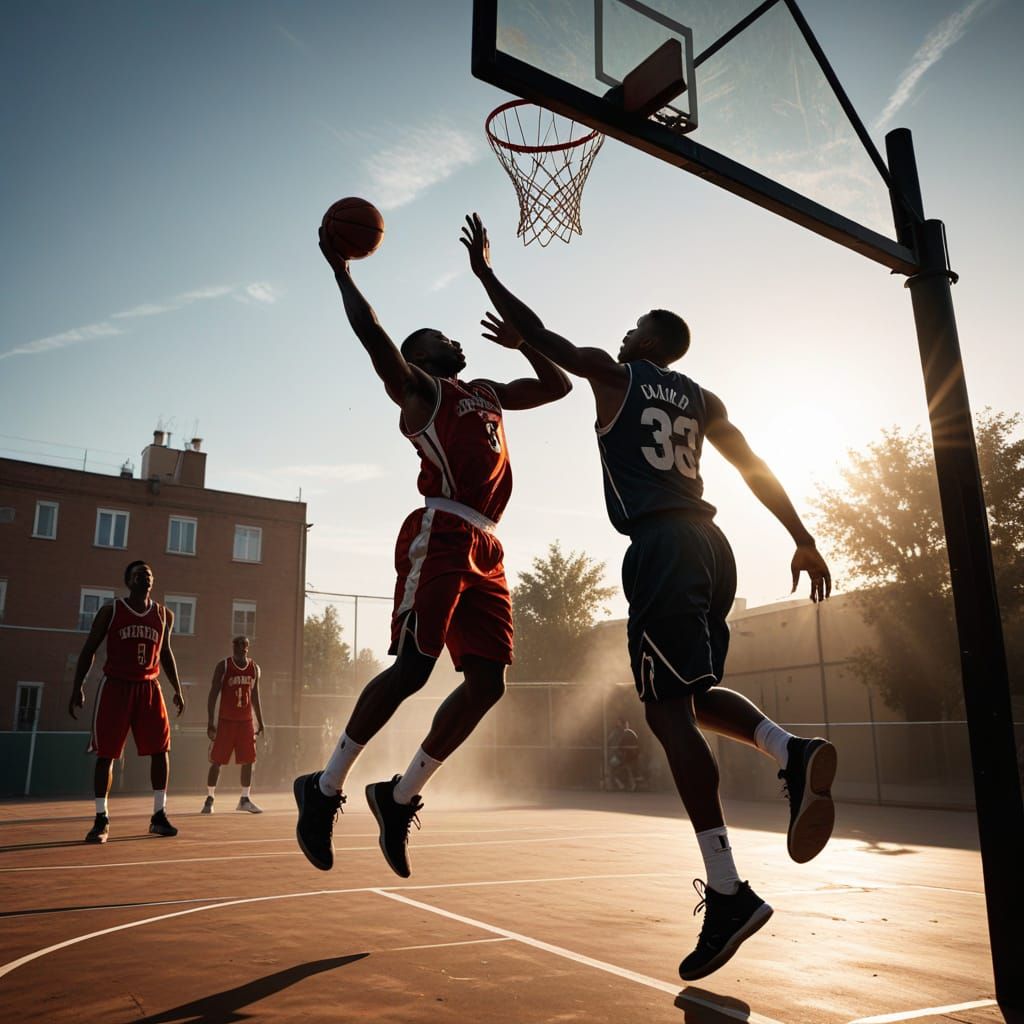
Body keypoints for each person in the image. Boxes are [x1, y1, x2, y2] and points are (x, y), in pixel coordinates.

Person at [462, 212, 837, 981]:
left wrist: (488, 275)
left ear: (647, 341)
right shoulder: (703, 397)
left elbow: (551, 340)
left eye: (633, 327)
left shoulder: (616, 372)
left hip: (662, 547)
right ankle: (788, 751)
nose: (624, 334)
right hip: (714, 548)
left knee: (666, 710)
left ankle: (730, 890)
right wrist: (801, 534)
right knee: (693, 699)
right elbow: (754, 465)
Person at [293, 225, 572, 878]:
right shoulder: (424, 392)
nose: (453, 337)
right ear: (420, 357)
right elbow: (374, 339)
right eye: (437, 336)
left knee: (488, 683)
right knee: (415, 670)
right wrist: (342, 272)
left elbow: (557, 386)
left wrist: (521, 333)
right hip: (441, 531)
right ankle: (325, 785)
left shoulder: (489, 393)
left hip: (488, 545)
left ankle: (399, 796)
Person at [69, 560, 185, 844]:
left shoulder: (163, 614)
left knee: (161, 749)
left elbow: (166, 652)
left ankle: (159, 815)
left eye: (149, 573)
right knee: (106, 753)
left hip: (148, 686)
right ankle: (101, 819)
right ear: (129, 581)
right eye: (139, 573)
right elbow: (89, 649)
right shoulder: (112, 611)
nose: (146, 575)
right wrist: (77, 687)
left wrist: (177, 688)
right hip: (116, 686)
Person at [202, 636, 265, 814]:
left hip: (245, 721)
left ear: (248, 647)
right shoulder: (223, 666)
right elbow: (213, 694)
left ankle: (244, 799)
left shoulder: (254, 668)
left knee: (249, 760)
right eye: (237, 644)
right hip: (226, 721)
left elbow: (255, 696)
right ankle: (210, 797)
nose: (240, 647)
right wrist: (210, 721)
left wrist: (260, 720)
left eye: (243, 645)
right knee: (217, 761)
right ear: (232, 647)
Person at [608, 717, 640, 791]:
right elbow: (612, 741)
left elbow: (621, 743)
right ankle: (622, 784)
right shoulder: (617, 732)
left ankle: (629, 785)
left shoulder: (626, 732)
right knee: (616, 768)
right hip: (621, 755)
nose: (618, 724)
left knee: (626, 769)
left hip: (624, 755)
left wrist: (621, 751)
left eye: (619, 722)